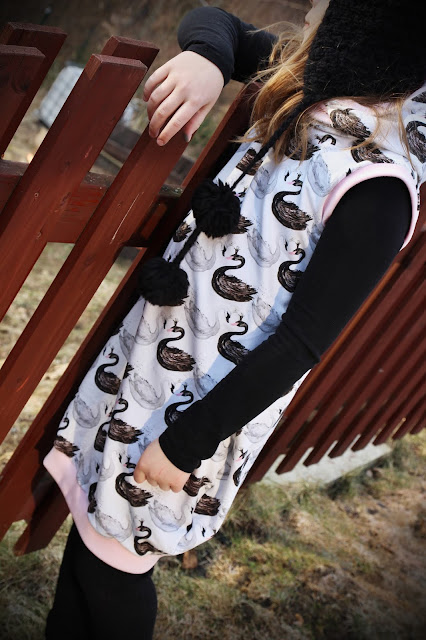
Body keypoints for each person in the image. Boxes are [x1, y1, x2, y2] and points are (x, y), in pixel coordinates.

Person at [44, 1, 426, 638]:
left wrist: (185, 444)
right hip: (146, 365)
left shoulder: (378, 185)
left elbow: (302, 342)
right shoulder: (305, 88)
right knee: (91, 540)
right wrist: (207, 60)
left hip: (197, 413)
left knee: (116, 566)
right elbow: (212, 19)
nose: (315, 14)